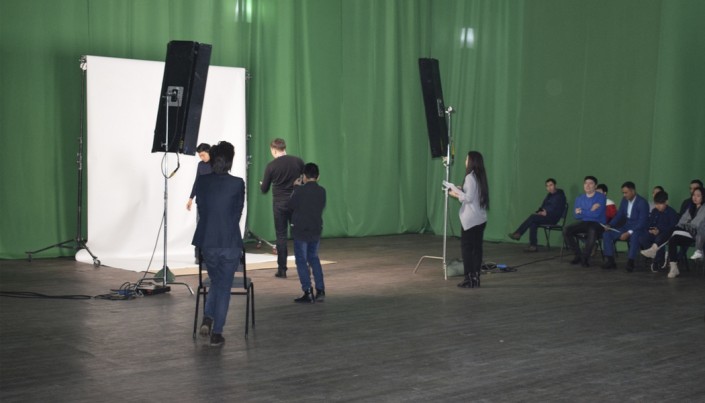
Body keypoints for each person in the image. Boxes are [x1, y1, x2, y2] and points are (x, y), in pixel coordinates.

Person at [192, 141, 245, 347]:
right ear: (230, 161)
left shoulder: (203, 182)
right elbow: (237, 213)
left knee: (216, 281)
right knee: (223, 287)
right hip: (229, 241)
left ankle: (208, 317)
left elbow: (202, 210)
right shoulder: (237, 183)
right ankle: (217, 332)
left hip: (208, 241)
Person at [260, 138, 305, 278]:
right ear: (284, 148)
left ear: (274, 150)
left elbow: (264, 189)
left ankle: (282, 270)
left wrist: (261, 184)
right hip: (296, 202)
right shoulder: (298, 161)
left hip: (279, 204)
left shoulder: (271, 166)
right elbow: (304, 180)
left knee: (281, 236)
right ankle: (303, 267)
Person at [447, 151, 489, 289]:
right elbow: (473, 194)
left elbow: (468, 198)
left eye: (466, 159)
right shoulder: (480, 176)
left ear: (471, 161)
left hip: (471, 220)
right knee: (477, 249)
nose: (465, 161)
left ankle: (469, 278)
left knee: (467, 249)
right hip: (480, 219)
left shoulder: (470, 177)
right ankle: (476, 277)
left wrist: (454, 193)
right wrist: (461, 189)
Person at [287, 163, 327, 303]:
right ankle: (320, 290)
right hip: (315, 229)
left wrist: (295, 188)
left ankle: (308, 291)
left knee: (301, 260)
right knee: (314, 258)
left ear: (304, 176)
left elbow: (291, 205)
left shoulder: (299, 191)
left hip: (301, 230)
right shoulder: (322, 191)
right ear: (318, 176)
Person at [601, 182, 650, 271]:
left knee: (635, 236)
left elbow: (642, 222)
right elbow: (619, 215)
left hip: (639, 229)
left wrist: (629, 233)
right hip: (626, 226)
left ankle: (631, 262)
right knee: (607, 234)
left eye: (626, 192)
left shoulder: (642, 203)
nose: (624, 195)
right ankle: (610, 261)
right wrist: (610, 224)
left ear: (633, 191)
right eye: (623, 193)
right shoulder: (624, 200)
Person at [508, 178, 566, 252]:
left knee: (532, 217)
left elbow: (558, 209)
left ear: (555, 185)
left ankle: (518, 233)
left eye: (551, 185)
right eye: (547, 186)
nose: (549, 187)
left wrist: (547, 213)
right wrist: (540, 211)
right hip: (545, 216)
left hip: (553, 218)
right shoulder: (549, 195)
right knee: (533, 223)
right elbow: (543, 206)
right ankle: (533, 246)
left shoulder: (560, 196)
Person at [563, 176, 606, 267]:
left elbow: (596, 215)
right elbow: (576, 215)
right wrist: (590, 210)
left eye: (591, 183)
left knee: (592, 229)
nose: (588, 185)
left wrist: (582, 211)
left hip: (598, 223)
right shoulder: (579, 198)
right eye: (586, 183)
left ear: (595, 186)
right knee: (566, 230)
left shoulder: (601, 197)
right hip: (585, 222)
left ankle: (585, 258)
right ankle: (578, 255)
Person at [664, 187, 704, 278]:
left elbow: (696, 225)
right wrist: (687, 224)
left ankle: (656, 245)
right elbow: (681, 221)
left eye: (698, 196)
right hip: (685, 233)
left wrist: (687, 224)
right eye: (693, 195)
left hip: (696, 235)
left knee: (673, 230)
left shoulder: (704, 208)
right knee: (673, 239)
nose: (695, 197)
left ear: (703, 197)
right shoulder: (691, 207)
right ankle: (674, 268)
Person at [639, 191, 678, 270]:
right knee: (642, 237)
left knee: (659, 239)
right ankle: (655, 256)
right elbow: (649, 223)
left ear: (666, 202)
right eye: (656, 204)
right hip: (654, 233)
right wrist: (650, 229)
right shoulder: (654, 211)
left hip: (665, 235)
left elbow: (671, 228)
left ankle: (658, 261)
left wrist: (659, 230)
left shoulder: (672, 213)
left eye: (660, 204)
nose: (658, 206)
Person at [186, 143, 212, 263]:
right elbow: (197, 181)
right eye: (200, 156)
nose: (202, 158)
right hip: (201, 201)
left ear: (209, 152)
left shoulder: (216, 164)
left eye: (203, 155)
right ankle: (198, 255)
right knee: (201, 228)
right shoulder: (200, 165)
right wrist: (191, 198)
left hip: (213, 201)